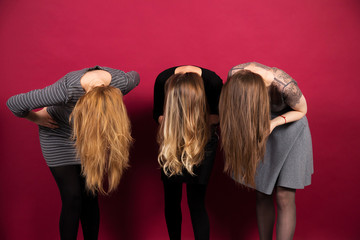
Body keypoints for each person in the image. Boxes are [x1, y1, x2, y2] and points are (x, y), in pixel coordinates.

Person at [7, 66, 139, 240]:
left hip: (89, 139)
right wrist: (37, 118)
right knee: (73, 197)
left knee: (90, 196)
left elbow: (135, 76)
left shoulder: (120, 83)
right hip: (59, 136)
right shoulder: (66, 89)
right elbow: (14, 103)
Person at [219, 62, 313, 240]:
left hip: (289, 127)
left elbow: (302, 110)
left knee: (284, 196)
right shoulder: (235, 74)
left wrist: (274, 123)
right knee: (262, 192)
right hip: (259, 128)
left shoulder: (285, 85)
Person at [153, 66, 223, 240]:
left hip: (202, 139)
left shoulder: (213, 83)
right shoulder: (163, 80)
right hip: (173, 136)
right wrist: (174, 120)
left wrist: (193, 118)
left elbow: (219, 116)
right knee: (171, 200)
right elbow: (158, 115)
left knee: (196, 202)